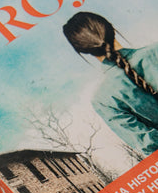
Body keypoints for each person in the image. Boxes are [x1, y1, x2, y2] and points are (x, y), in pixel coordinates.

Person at [62, 11, 158, 158]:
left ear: (82, 50)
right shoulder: (155, 52)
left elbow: (148, 145)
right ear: (111, 28)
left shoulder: (102, 100)